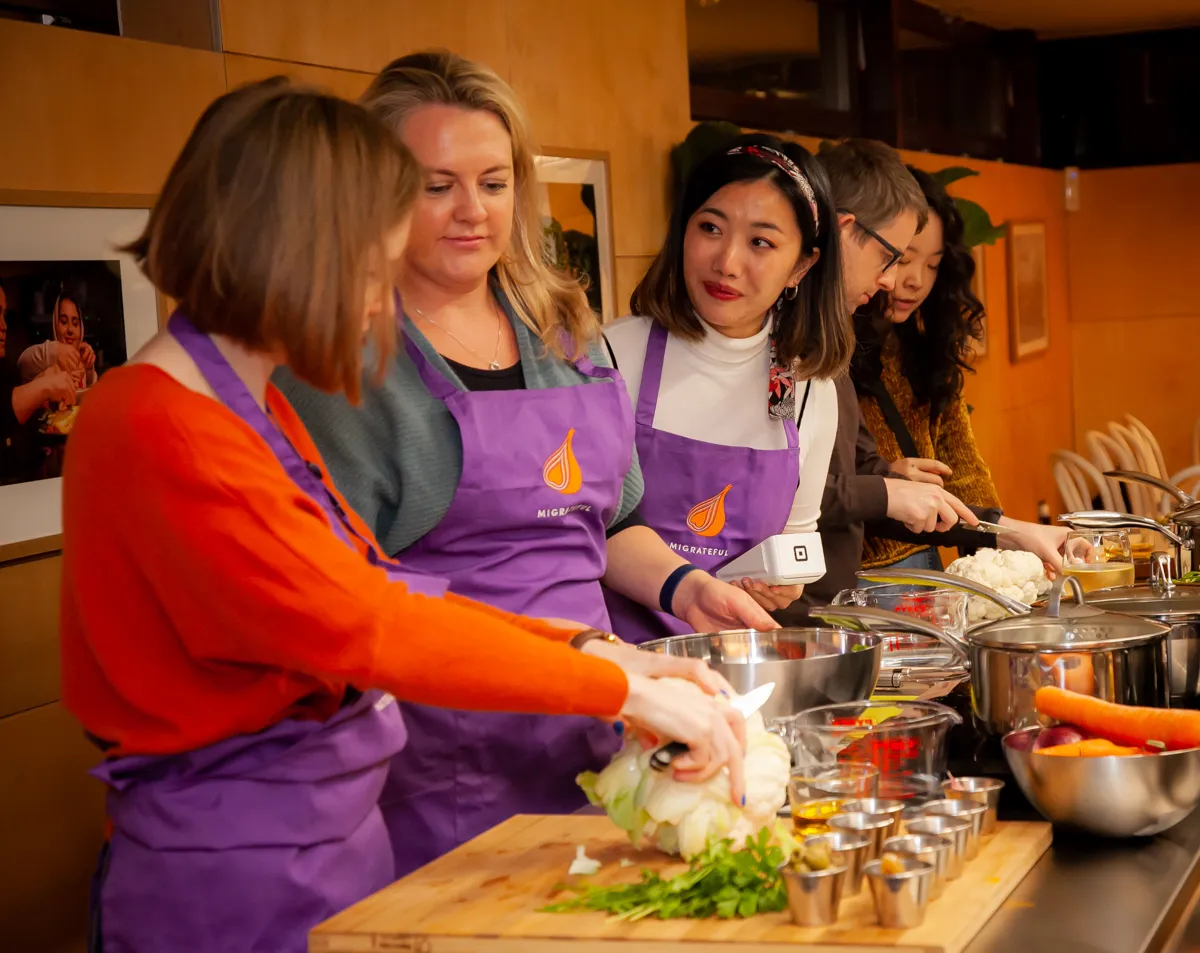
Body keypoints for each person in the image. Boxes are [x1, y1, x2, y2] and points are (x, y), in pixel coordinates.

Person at [63, 78, 746, 953]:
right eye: (371, 266)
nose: (381, 302)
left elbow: (383, 589)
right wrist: (618, 683)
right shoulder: (157, 425)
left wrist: (598, 652)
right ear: (295, 251)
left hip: (325, 845)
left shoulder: (244, 404)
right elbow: (366, 625)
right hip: (235, 872)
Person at [277, 51, 772, 878]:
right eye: (436, 185)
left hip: (597, 722)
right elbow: (345, 602)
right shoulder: (339, 365)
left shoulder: (560, 327)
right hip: (442, 759)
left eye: (494, 182)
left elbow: (611, 521)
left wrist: (687, 587)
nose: (472, 211)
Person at [602, 135, 844, 639]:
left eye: (761, 242)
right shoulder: (610, 356)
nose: (727, 262)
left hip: (729, 666)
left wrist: (785, 585)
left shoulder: (808, 391)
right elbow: (575, 527)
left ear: (802, 265)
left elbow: (799, 536)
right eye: (710, 227)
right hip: (613, 659)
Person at [851, 165, 1067, 573]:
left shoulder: (921, 347)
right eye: (902, 259)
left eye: (932, 265)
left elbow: (962, 467)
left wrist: (1005, 546)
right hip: (860, 578)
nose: (915, 280)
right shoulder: (829, 349)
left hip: (931, 564)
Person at [0, 283, 77, 484]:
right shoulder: (42, 354)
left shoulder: (3, 368)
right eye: (63, 321)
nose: (4, 326)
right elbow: (24, 361)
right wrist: (47, 381)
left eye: (75, 323)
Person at [19, 291, 98, 389]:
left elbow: (91, 391)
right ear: (55, 325)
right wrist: (56, 350)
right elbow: (22, 363)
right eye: (64, 322)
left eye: (75, 323)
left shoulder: (81, 362)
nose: (70, 329)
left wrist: (89, 369)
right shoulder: (46, 361)